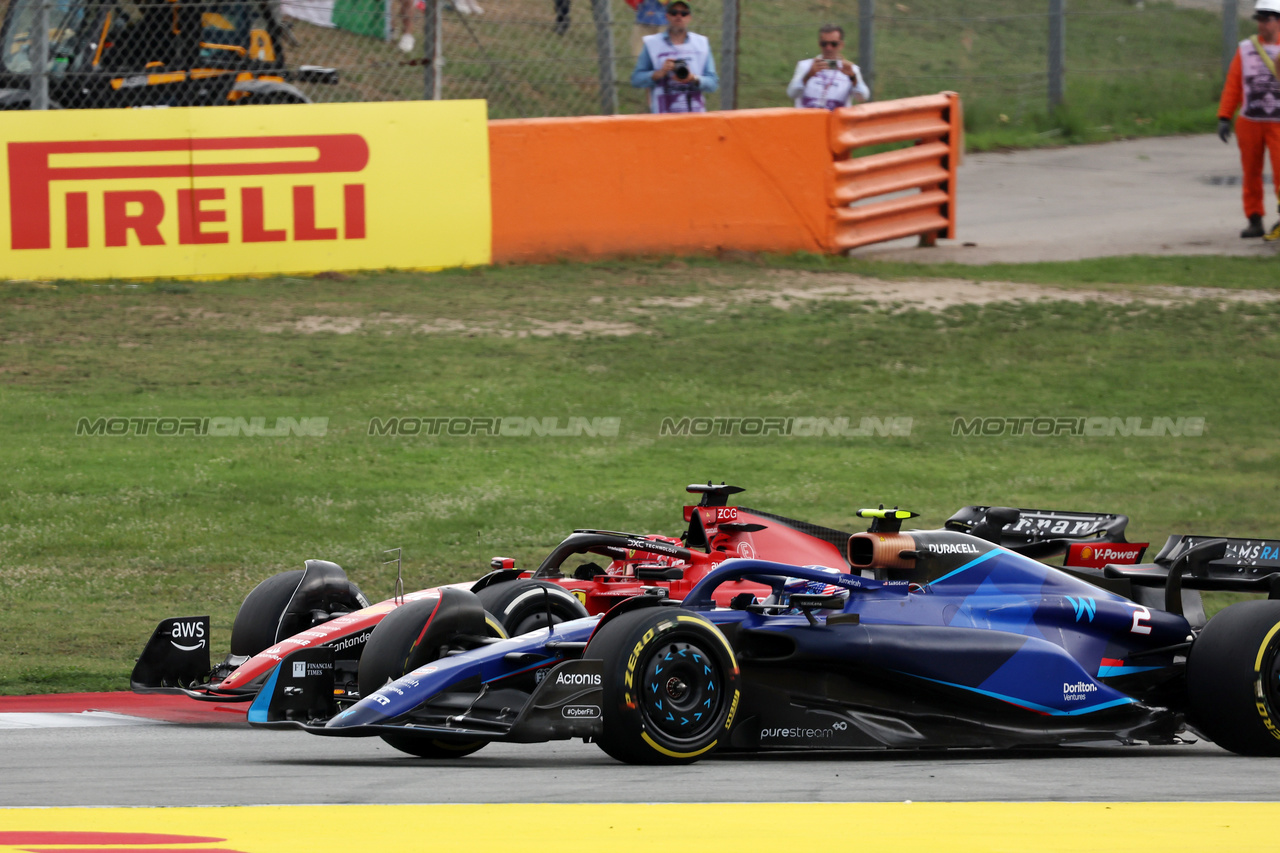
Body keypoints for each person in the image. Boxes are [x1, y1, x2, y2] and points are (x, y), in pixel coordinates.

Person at [1219, 0, 1280, 239]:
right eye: (1259, 19)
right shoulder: (1245, 48)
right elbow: (1233, 84)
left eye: (1267, 19)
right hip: (1250, 122)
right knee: (1251, 172)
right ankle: (1254, 219)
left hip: (1278, 123)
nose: (1261, 24)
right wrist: (1224, 116)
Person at [629, 0, 718, 114]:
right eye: (674, 12)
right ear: (667, 16)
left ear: (689, 17)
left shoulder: (701, 44)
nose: (679, 16)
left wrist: (693, 78)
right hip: (663, 118)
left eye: (683, 13)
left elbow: (713, 84)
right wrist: (658, 74)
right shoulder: (652, 44)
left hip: (695, 118)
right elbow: (636, 80)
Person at [787, 24, 870, 110]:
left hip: (836, 122)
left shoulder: (850, 69)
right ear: (819, 44)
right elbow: (791, 93)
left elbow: (863, 97)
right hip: (807, 121)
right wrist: (808, 76)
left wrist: (853, 78)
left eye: (833, 44)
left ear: (841, 45)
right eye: (824, 44)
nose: (828, 48)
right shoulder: (805, 66)